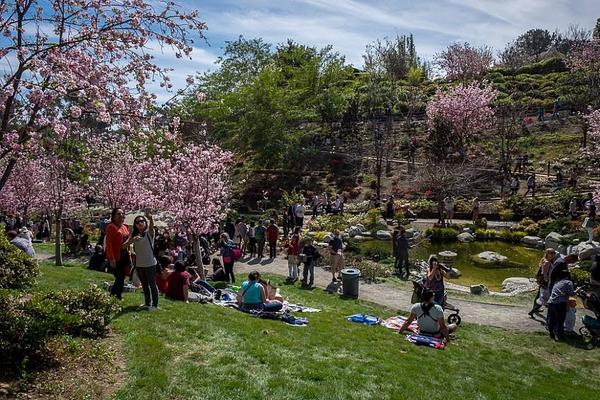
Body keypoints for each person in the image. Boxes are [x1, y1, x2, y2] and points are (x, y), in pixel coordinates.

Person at [123, 211, 159, 310]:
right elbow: (124, 246)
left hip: (150, 263)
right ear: (135, 225)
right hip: (139, 265)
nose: (140, 223)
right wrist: (132, 239)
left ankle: (154, 305)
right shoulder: (134, 235)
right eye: (137, 222)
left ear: (145, 222)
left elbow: (151, 227)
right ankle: (148, 303)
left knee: (152, 285)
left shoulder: (149, 233)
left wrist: (150, 218)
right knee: (144, 285)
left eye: (142, 221)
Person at [106, 208, 131, 300]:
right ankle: (114, 295)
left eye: (122, 214)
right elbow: (109, 244)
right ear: (113, 216)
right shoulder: (111, 227)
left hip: (125, 256)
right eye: (118, 214)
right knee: (120, 277)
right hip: (116, 256)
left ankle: (116, 295)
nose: (121, 216)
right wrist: (111, 258)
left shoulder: (125, 227)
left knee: (122, 277)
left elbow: (127, 240)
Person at [546, 269, 574, 341]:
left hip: (551, 302)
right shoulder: (568, 282)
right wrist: (578, 290)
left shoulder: (557, 283)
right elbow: (571, 294)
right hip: (560, 303)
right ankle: (561, 336)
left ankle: (551, 334)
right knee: (560, 321)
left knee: (552, 320)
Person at [529, 248, 555, 317]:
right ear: (547, 254)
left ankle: (534, 309)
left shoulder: (545, 260)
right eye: (551, 253)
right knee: (543, 296)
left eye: (554, 253)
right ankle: (533, 310)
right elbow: (544, 273)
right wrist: (547, 281)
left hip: (542, 281)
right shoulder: (547, 262)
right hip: (545, 281)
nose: (553, 255)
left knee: (540, 295)